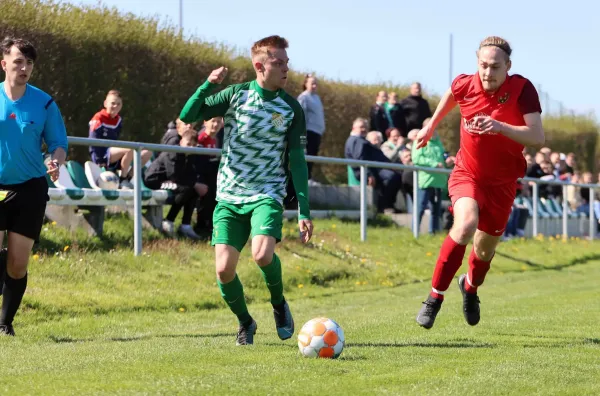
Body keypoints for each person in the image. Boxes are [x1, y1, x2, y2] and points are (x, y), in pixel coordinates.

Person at [179, 35, 313, 346]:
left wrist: (304, 209)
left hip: (267, 193)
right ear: (259, 66)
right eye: (278, 63)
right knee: (224, 270)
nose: (285, 69)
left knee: (262, 254)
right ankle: (245, 322)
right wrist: (207, 85)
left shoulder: (291, 108)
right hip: (228, 197)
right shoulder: (235, 95)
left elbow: (297, 161)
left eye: (286, 63)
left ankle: (279, 303)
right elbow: (188, 115)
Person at [415, 36, 544, 329]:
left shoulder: (522, 90)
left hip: (502, 184)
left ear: (507, 66)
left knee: (484, 252)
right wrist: (430, 125)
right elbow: (451, 93)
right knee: (465, 225)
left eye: (495, 67)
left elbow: (538, 137)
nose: (487, 72)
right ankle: (434, 298)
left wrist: (500, 127)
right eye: (483, 65)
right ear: (477, 62)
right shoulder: (465, 83)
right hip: (467, 174)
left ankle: (470, 288)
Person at [0, 37, 69, 336]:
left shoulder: (44, 102)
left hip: (30, 188)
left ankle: (5, 324)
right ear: (4, 63)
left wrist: (55, 161)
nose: (24, 67)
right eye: (18, 61)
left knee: (17, 264)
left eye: (28, 63)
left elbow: (59, 144)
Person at [144, 128, 204, 240]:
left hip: (170, 181)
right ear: (181, 142)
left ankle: (185, 225)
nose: (190, 147)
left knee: (192, 190)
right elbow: (174, 175)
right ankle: (169, 221)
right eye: (188, 144)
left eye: (193, 145)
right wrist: (192, 183)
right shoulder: (173, 151)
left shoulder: (191, 155)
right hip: (155, 181)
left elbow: (190, 175)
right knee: (186, 189)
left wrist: (194, 184)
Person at [88, 90, 152, 188]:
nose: (116, 106)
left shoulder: (118, 120)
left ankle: (128, 178)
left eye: (119, 104)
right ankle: (122, 179)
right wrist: (99, 162)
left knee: (147, 153)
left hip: (114, 154)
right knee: (130, 149)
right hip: (101, 155)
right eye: (113, 103)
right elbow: (92, 142)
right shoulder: (98, 118)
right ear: (105, 103)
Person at [297, 74, 325, 183]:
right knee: (306, 155)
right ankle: (303, 178)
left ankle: (308, 177)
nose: (314, 86)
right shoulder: (303, 97)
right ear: (306, 84)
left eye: (315, 84)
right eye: (312, 83)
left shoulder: (317, 97)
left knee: (313, 154)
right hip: (308, 131)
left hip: (317, 132)